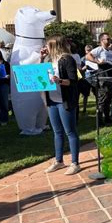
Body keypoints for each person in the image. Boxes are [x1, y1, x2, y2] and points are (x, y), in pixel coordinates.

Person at [41, 35, 81, 175]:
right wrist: (40, 59)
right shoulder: (48, 60)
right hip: (52, 100)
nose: (45, 48)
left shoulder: (67, 59)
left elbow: (73, 81)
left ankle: (75, 162)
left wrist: (59, 81)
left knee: (70, 131)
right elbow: (39, 73)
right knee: (57, 131)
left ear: (55, 46)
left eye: (48, 45)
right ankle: (59, 161)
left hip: (65, 100)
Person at [86, 32, 112, 125]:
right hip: (103, 77)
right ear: (101, 40)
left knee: (109, 98)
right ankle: (99, 121)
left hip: (111, 76)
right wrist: (97, 61)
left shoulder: (110, 51)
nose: (109, 40)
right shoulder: (99, 49)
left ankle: (107, 118)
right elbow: (88, 56)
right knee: (102, 99)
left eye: (109, 39)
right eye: (107, 39)